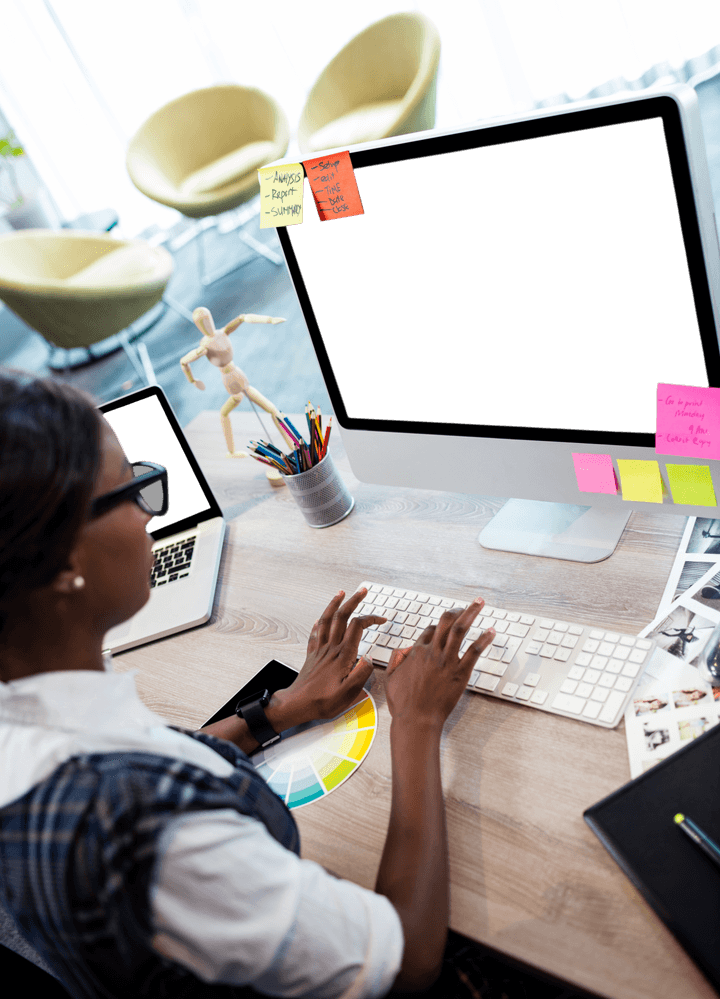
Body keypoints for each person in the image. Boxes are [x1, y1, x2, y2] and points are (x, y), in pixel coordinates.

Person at [0, 369, 495, 999]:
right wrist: (418, 722)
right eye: (135, 488)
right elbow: (405, 960)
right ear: (66, 556)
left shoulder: (29, 718)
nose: (154, 511)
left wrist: (277, 711)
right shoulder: (150, 834)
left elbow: (148, 763)